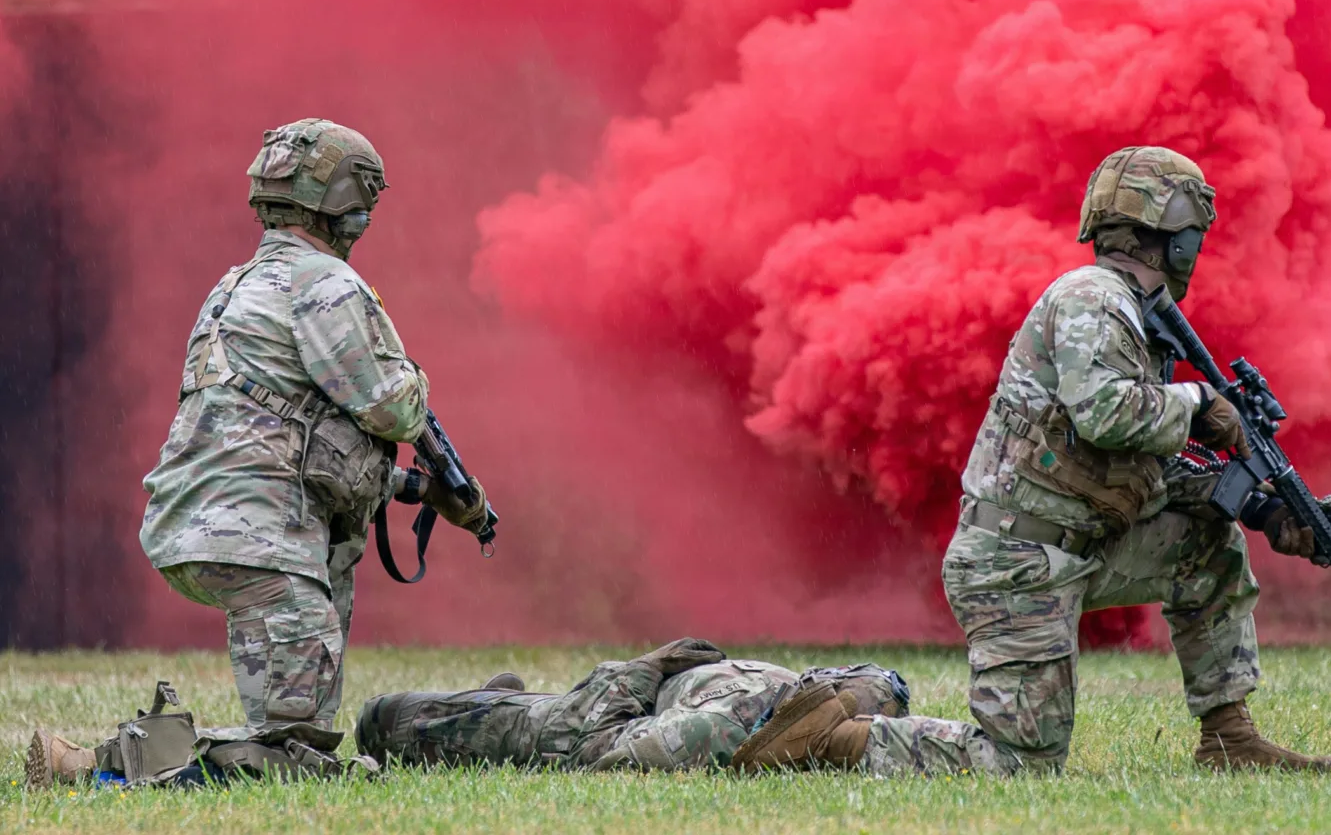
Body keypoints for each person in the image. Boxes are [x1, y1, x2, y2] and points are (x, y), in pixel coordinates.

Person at [936, 146, 1331, 774]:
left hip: (1075, 548)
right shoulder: (1093, 297)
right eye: (1195, 236)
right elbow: (1104, 414)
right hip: (1015, 563)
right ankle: (843, 734)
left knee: (1208, 544)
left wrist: (1265, 510)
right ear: (1176, 239)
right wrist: (1198, 400)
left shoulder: (1132, 315)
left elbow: (1144, 464)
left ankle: (1230, 740)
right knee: (1018, 765)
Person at [136, 119, 491, 731]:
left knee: (296, 737)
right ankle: (109, 763)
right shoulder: (323, 282)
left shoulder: (237, 285)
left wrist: (414, 487)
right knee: (293, 750)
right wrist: (410, 374)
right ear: (342, 203)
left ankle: (130, 761)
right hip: (264, 538)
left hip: (204, 528)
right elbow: (393, 409)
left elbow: (288, 436)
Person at [355, 638, 1019, 778]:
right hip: (739, 701)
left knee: (874, 690)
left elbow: (593, 747)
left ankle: (820, 730)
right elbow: (595, 750)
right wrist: (640, 672)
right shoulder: (553, 727)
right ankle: (821, 733)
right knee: (870, 696)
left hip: (736, 699)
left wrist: (640, 672)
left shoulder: (542, 720)